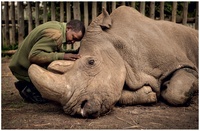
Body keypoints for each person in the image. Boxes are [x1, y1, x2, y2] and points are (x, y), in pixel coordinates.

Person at [9, 20, 85, 104]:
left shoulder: (57, 27)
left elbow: (53, 50)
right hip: (22, 67)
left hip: (19, 63)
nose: (73, 41)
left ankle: (26, 85)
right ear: (68, 28)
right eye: (73, 37)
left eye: (76, 41)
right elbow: (34, 56)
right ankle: (28, 87)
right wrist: (63, 56)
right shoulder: (56, 35)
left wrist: (72, 52)